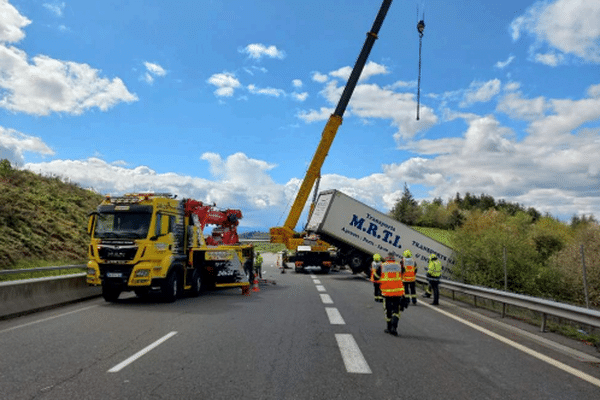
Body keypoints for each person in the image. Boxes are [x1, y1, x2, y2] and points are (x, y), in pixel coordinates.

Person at [373, 252, 406, 336]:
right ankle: (394, 328)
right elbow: (404, 272)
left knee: (388, 309)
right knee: (396, 310)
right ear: (394, 258)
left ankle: (388, 327)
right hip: (398, 291)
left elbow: (376, 276)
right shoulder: (399, 265)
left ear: (387, 257)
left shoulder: (383, 265)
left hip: (386, 291)